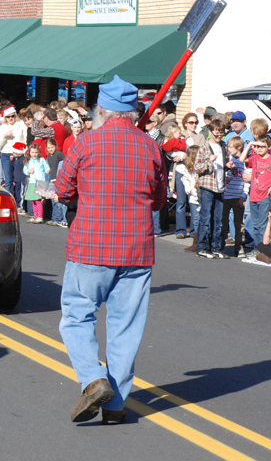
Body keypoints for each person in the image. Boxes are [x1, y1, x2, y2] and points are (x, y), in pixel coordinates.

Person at [53, 75, 167, 425]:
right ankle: (116, 404)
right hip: (136, 250)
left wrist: (79, 196)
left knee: (76, 316)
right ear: (132, 112)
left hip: (91, 246)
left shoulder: (86, 143)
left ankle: (93, 379)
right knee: (125, 327)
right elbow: (160, 201)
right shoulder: (151, 147)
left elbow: (62, 189)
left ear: (102, 110)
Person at [239, 135, 271, 251]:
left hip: (264, 196)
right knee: (255, 225)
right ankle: (258, 248)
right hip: (253, 195)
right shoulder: (255, 158)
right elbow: (242, 159)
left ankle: (262, 249)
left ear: (268, 147)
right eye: (257, 146)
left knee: (262, 225)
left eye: (262, 146)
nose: (259, 149)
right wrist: (250, 145)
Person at [194, 120, 228, 259]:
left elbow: (223, 165)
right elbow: (197, 168)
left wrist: (228, 165)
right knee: (205, 217)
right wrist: (209, 161)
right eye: (216, 133)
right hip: (208, 186)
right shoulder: (204, 147)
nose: (219, 136)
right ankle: (201, 247)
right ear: (210, 132)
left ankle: (216, 247)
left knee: (217, 219)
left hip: (220, 186)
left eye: (221, 133)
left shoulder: (223, 146)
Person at [0, 106, 27, 206]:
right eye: (8, 117)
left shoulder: (21, 125)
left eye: (12, 116)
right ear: (5, 118)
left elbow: (25, 140)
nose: (10, 119)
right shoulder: (2, 128)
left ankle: (19, 203)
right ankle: (9, 202)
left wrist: (22, 152)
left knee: (18, 180)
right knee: (8, 180)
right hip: (6, 154)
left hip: (19, 155)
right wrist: (4, 136)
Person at [222, 136, 247, 257]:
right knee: (223, 222)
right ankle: (220, 245)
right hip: (226, 195)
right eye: (228, 146)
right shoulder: (227, 159)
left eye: (231, 147)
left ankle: (238, 247)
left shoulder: (244, 162)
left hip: (237, 196)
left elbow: (247, 181)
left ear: (239, 147)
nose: (229, 149)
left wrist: (243, 197)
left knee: (238, 224)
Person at [161, 125, 188, 239]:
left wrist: (183, 155)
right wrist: (181, 155)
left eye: (195, 122)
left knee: (193, 202)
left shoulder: (197, 137)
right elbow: (168, 152)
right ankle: (181, 229)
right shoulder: (173, 141)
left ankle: (194, 230)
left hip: (191, 171)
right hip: (180, 171)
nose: (193, 125)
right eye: (190, 122)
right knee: (181, 201)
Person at [23, 144, 50, 224]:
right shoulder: (28, 161)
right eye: (32, 152)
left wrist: (48, 169)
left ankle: (40, 216)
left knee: (38, 200)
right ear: (29, 153)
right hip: (32, 182)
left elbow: (46, 166)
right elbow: (24, 170)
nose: (34, 154)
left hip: (39, 182)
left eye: (36, 152)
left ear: (38, 153)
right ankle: (35, 215)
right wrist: (28, 171)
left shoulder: (41, 160)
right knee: (33, 200)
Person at [45, 138, 67, 227]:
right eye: (49, 148)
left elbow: (66, 161)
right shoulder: (48, 157)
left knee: (56, 200)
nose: (51, 149)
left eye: (52, 147)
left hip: (56, 180)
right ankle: (54, 218)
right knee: (52, 201)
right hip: (50, 180)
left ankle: (58, 218)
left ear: (55, 146)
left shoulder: (58, 154)